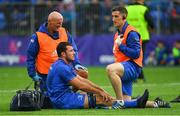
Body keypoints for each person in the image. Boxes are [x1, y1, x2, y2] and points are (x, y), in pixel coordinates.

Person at [46, 42, 149, 109]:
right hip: (62, 101)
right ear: (63, 54)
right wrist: (100, 91)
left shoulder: (61, 65)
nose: (74, 53)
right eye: (71, 51)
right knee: (99, 99)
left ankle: (147, 103)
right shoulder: (62, 67)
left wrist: (101, 90)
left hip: (63, 97)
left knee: (100, 97)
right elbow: (81, 86)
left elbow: (82, 81)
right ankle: (136, 103)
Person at [106, 6, 170, 108]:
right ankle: (156, 104)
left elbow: (136, 54)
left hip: (132, 67)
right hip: (124, 68)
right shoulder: (118, 33)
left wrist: (120, 46)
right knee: (129, 103)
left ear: (124, 17)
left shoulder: (131, 33)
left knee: (110, 69)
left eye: (116, 16)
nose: (113, 19)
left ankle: (119, 102)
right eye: (112, 16)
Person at [26, 11, 87, 103]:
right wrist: (32, 74)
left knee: (83, 73)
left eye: (61, 22)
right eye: (58, 22)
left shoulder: (64, 32)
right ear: (50, 22)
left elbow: (73, 49)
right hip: (45, 76)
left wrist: (77, 63)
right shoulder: (37, 37)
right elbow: (30, 56)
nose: (60, 25)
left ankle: (70, 93)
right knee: (47, 101)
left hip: (64, 72)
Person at [126, 0, 154, 82]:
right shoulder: (143, 9)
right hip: (142, 36)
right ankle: (138, 76)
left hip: (129, 35)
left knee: (131, 57)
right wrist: (151, 29)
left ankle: (137, 76)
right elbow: (151, 22)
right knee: (139, 57)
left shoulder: (127, 8)